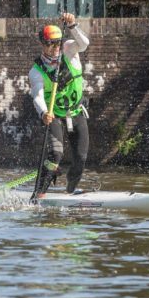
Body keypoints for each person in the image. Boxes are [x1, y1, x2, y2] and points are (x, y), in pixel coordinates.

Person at [28, 12, 90, 194]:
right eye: (49, 43)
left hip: (75, 111)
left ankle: (70, 191)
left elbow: (84, 44)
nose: (54, 47)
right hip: (53, 113)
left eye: (57, 42)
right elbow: (38, 96)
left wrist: (72, 26)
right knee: (56, 154)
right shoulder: (36, 71)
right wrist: (43, 112)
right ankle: (40, 191)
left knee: (81, 157)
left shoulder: (69, 49)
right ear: (42, 44)